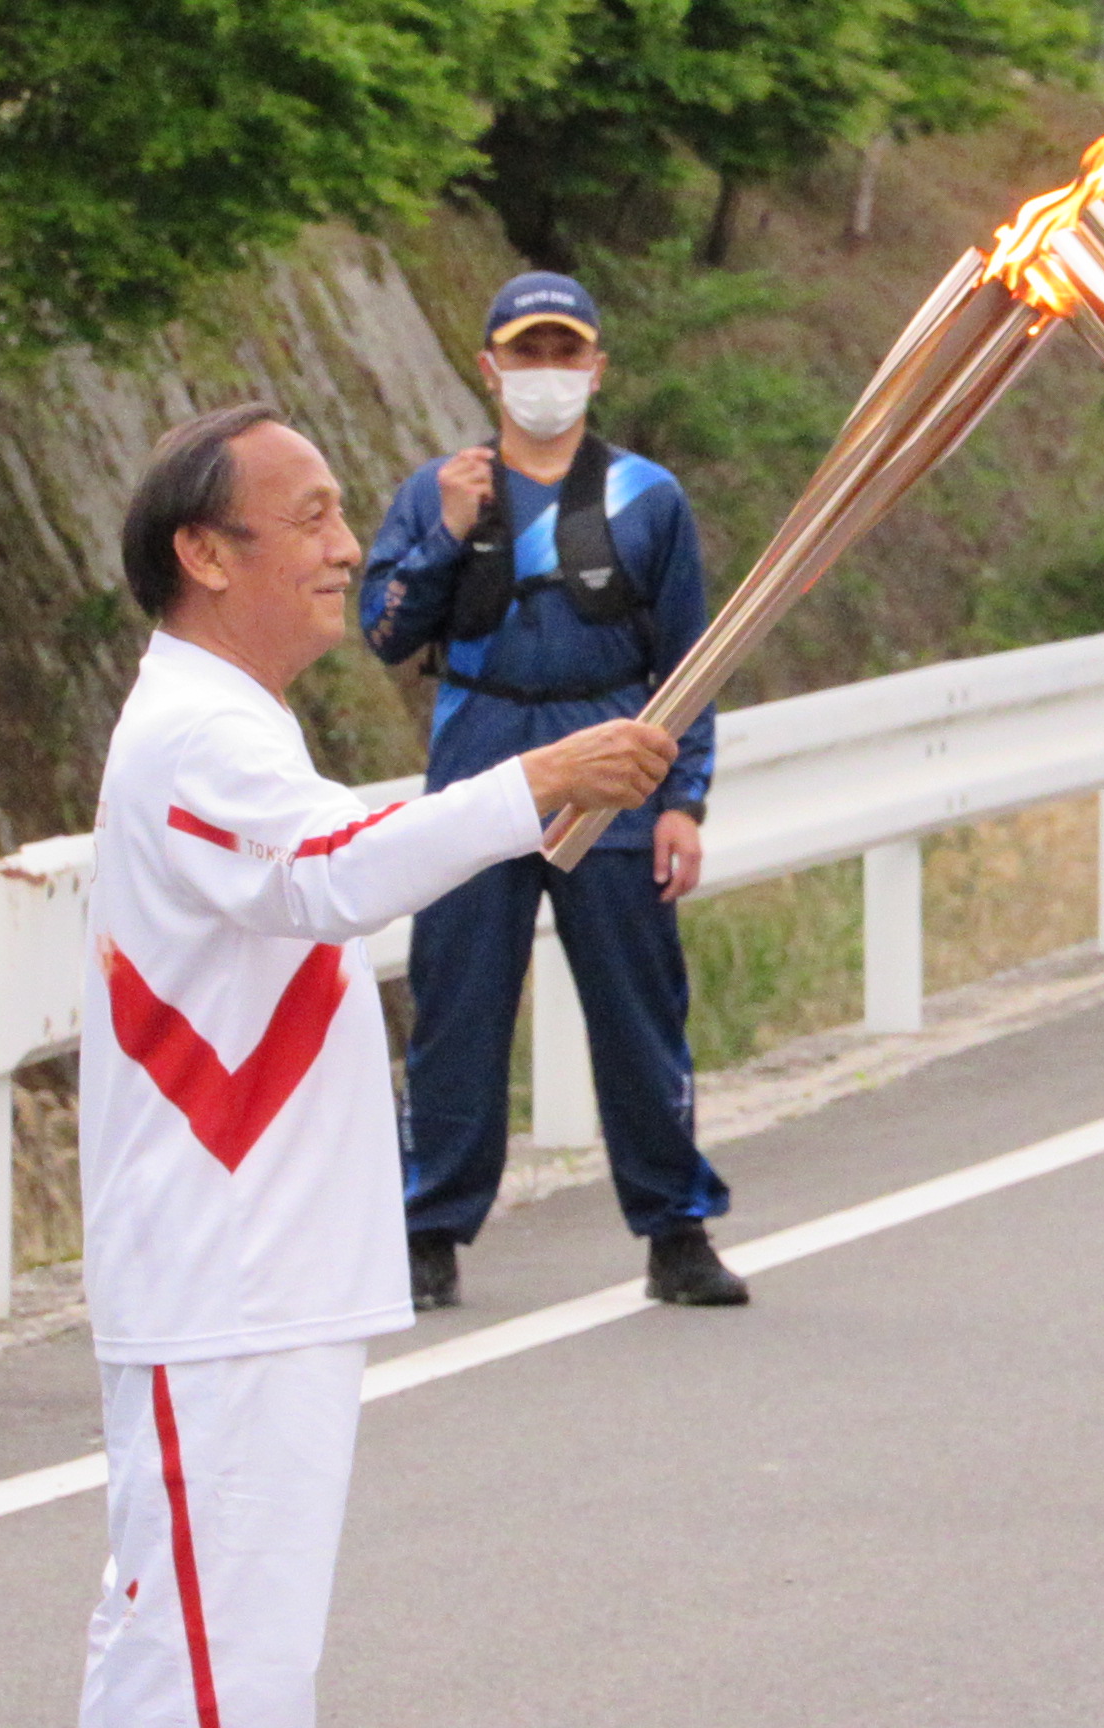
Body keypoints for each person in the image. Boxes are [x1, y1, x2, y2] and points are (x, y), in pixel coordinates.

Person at [80, 402, 675, 1728]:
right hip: (220, 1280)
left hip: (260, 1279)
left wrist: (537, 794)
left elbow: (336, 853)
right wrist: (536, 781)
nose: (351, 549)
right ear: (208, 555)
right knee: (208, 1662)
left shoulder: (233, 726)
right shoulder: (196, 735)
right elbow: (332, 875)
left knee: (217, 1652)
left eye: (345, 515)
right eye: (312, 521)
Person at [360, 271, 742, 1310]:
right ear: (489, 367)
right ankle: (427, 1231)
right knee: (458, 1008)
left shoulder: (647, 497)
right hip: (480, 760)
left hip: (611, 764)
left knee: (637, 1012)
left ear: (595, 367)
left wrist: (682, 800)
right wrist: (444, 532)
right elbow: (387, 630)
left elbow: (691, 662)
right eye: (525, 354)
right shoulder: (438, 489)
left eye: (563, 353)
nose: (545, 374)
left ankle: (676, 1231)